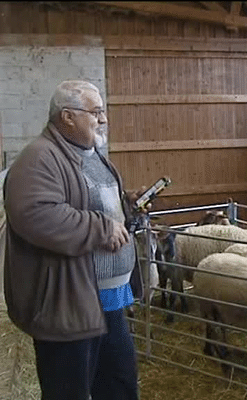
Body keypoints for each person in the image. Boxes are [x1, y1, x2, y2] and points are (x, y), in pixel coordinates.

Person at [3, 80, 147, 400]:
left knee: (119, 383)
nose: (103, 119)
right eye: (96, 112)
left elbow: (87, 202)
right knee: (69, 391)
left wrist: (124, 205)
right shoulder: (39, 159)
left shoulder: (88, 152)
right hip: (67, 304)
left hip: (105, 300)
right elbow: (37, 216)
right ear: (68, 117)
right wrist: (101, 228)